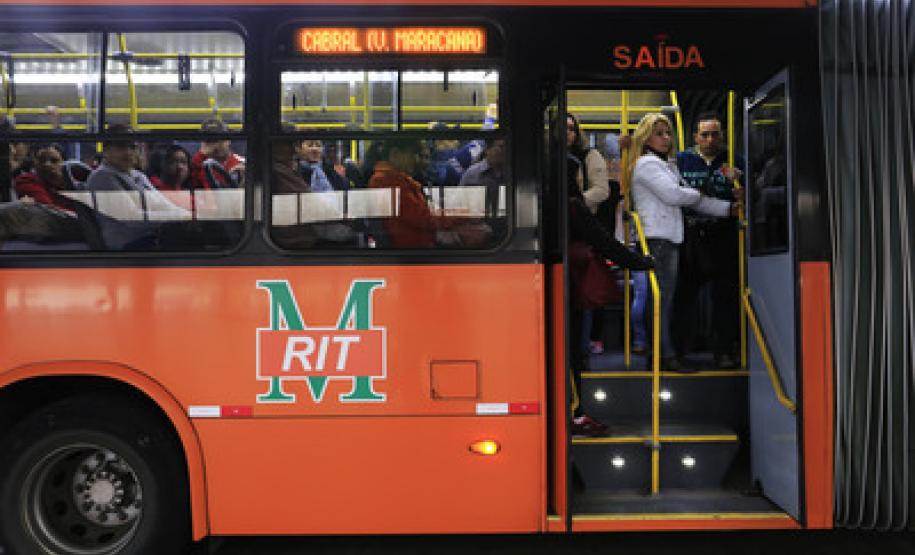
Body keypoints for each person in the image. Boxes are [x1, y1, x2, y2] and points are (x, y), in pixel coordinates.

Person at [627, 113, 740, 371]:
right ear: (646, 137)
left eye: (667, 133)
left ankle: (666, 353)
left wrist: (727, 209)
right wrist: (697, 192)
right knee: (663, 300)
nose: (665, 138)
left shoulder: (667, 165)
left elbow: (688, 197)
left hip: (668, 237)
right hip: (658, 238)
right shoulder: (647, 164)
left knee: (667, 299)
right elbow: (674, 195)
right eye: (659, 133)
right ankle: (664, 356)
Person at [568, 160, 655, 437]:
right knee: (572, 353)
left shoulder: (545, 202)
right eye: (579, 176)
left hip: (553, 287)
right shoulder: (572, 205)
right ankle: (575, 412)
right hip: (570, 286)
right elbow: (603, 241)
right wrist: (640, 262)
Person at [674, 112, 745, 368]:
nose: (710, 139)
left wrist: (743, 192)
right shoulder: (682, 161)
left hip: (724, 233)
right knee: (683, 296)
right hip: (690, 233)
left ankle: (724, 350)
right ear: (696, 137)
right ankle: (680, 350)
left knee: (725, 296)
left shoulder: (735, 159)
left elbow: (751, 196)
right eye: (705, 134)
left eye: (715, 133)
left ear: (722, 135)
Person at [84, 125, 189, 249]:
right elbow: (133, 218)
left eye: (133, 147)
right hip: (129, 244)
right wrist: (176, 217)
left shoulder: (137, 175)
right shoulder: (102, 177)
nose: (128, 152)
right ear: (106, 149)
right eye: (121, 146)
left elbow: (161, 203)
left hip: (149, 237)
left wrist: (185, 215)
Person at [190, 119, 245, 189]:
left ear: (228, 140)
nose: (215, 146)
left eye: (218, 140)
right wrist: (201, 156)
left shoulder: (241, 164)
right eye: (209, 141)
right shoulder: (196, 164)